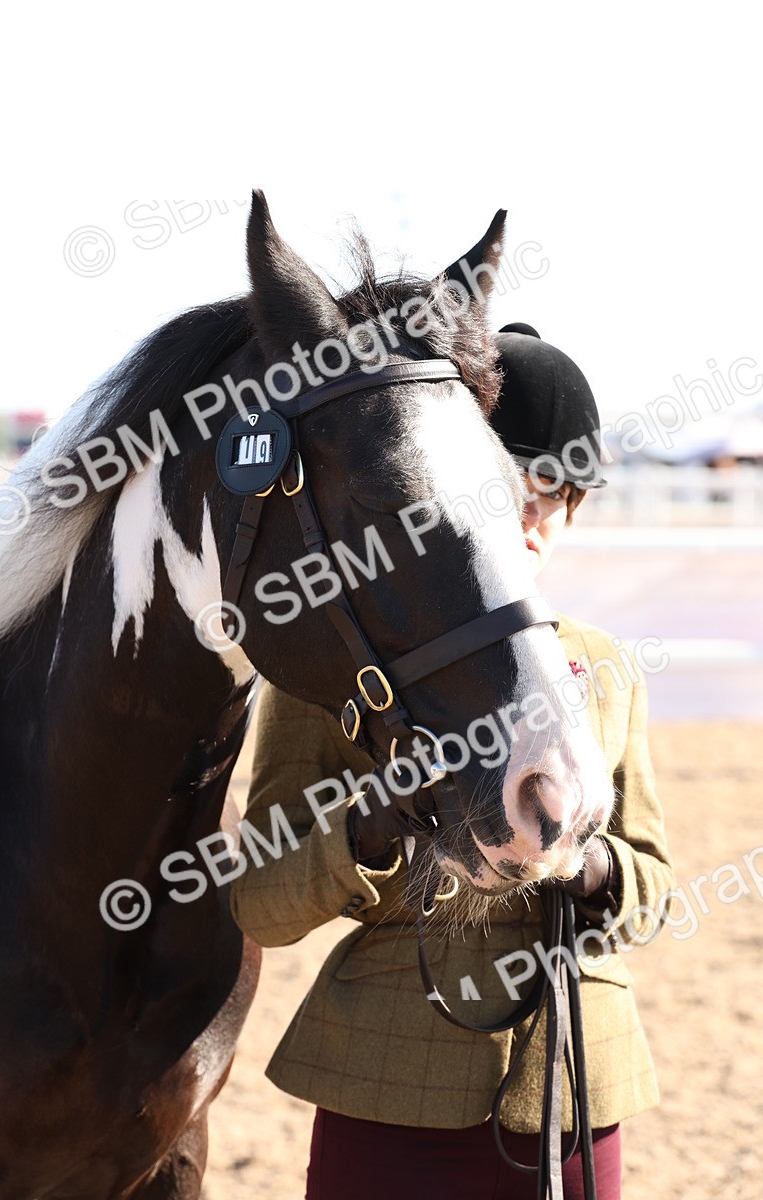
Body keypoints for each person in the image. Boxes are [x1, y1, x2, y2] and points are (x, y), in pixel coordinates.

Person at [230, 324, 674, 1200]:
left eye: (558, 497)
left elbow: (655, 887)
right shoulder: (333, 668)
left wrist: (589, 865)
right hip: (390, 1080)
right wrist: (368, 829)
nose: (534, 519)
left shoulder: (608, 665)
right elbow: (259, 902)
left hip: (576, 1081)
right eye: (512, 492)